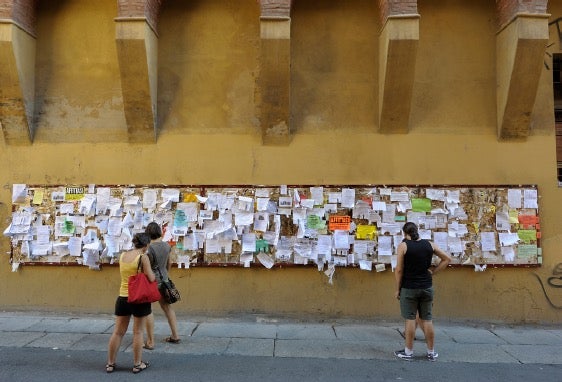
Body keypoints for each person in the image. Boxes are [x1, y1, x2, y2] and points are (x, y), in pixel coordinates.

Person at [394, 222, 451, 361]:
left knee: (410, 319)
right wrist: (433, 272)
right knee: (427, 320)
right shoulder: (429, 245)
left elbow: (399, 270)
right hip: (426, 287)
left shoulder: (403, 246)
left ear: (404, 233)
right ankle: (431, 352)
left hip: (409, 288)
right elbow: (447, 259)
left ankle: (408, 352)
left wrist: (397, 288)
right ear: (417, 231)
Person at [106, 232, 154, 374]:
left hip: (122, 297)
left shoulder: (123, 256)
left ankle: (110, 363)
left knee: (118, 332)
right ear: (146, 245)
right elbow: (150, 277)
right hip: (138, 298)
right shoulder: (143, 257)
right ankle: (137, 364)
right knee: (138, 332)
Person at [143, 222, 180, 349]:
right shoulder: (166, 246)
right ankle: (175, 335)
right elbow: (169, 262)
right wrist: (165, 275)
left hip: (152, 281)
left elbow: (146, 267)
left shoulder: (149, 249)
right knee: (168, 308)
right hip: (164, 280)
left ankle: (150, 341)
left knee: (147, 310)